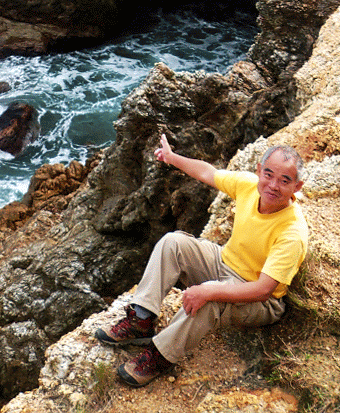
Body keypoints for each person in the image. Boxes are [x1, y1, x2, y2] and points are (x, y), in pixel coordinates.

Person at [95, 133, 308, 388]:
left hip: (260, 300)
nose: (273, 185)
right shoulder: (250, 186)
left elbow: (263, 290)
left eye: (284, 181)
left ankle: (160, 356)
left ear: (297, 187)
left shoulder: (292, 233)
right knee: (173, 242)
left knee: (208, 300)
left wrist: (209, 290)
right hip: (224, 263)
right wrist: (171, 158)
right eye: (269, 174)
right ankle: (140, 319)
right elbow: (208, 173)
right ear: (259, 170)